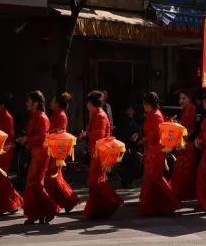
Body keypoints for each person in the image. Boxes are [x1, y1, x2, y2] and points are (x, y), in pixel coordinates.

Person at [16, 91, 60, 225]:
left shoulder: (41, 117)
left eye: (29, 101)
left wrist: (26, 139)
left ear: (35, 103)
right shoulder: (34, 116)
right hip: (35, 152)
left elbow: (42, 137)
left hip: (41, 154)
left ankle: (50, 209)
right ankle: (36, 213)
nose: (27, 103)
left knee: (36, 184)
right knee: (32, 184)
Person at [137, 92, 182, 216]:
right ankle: (157, 205)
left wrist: (145, 139)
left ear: (148, 104)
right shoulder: (151, 114)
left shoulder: (156, 115)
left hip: (156, 150)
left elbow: (157, 134)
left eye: (144, 104)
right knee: (152, 178)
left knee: (154, 177)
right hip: (151, 149)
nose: (143, 106)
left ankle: (170, 201)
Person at [83, 90, 124, 220]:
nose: (87, 105)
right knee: (97, 181)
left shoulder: (100, 115)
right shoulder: (96, 114)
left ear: (91, 103)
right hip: (97, 152)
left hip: (100, 153)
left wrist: (86, 134)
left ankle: (111, 202)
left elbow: (99, 136)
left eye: (88, 102)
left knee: (94, 182)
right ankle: (102, 207)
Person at [0, 95, 24, 216]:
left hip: (4, 150)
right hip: (1, 149)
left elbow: (7, 135)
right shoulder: (1, 116)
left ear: (2, 105)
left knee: (0, 177)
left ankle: (4, 206)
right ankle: (12, 203)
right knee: (1, 178)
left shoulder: (6, 116)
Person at [46, 92, 80, 213]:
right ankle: (64, 201)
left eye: (52, 101)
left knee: (53, 178)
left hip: (57, 150)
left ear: (57, 104)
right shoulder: (58, 114)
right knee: (55, 177)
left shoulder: (60, 115)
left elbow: (58, 134)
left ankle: (69, 200)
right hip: (54, 149)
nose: (50, 103)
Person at [170, 90, 199, 201]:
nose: (180, 101)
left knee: (185, 169)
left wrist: (176, 124)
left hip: (188, 143)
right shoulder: (184, 110)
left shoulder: (191, 109)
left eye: (183, 98)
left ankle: (181, 193)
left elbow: (188, 128)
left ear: (190, 99)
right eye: (180, 99)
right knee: (182, 169)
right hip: (184, 142)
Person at [115, 105, 141, 188]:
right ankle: (126, 182)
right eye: (128, 110)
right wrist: (125, 147)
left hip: (133, 146)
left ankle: (128, 182)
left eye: (131, 110)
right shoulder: (123, 122)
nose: (130, 112)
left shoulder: (134, 120)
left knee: (131, 165)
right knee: (126, 165)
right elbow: (122, 135)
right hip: (126, 146)